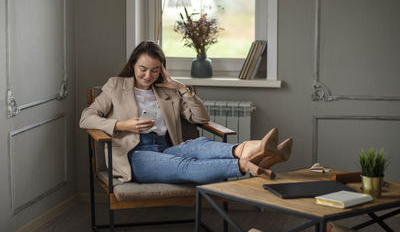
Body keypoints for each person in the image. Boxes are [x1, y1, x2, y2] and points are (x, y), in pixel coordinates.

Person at [80, 41, 293, 184]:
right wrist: (122, 125)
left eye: (155, 70)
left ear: (162, 69)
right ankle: (247, 163)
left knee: (199, 145)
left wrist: (182, 89)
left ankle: (253, 149)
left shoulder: (167, 91)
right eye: (143, 69)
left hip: (164, 148)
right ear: (133, 64)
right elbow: (86, 118)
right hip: (133, 155)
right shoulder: (116, 85)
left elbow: (201, 118)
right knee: (186, 166)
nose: (148, 75)